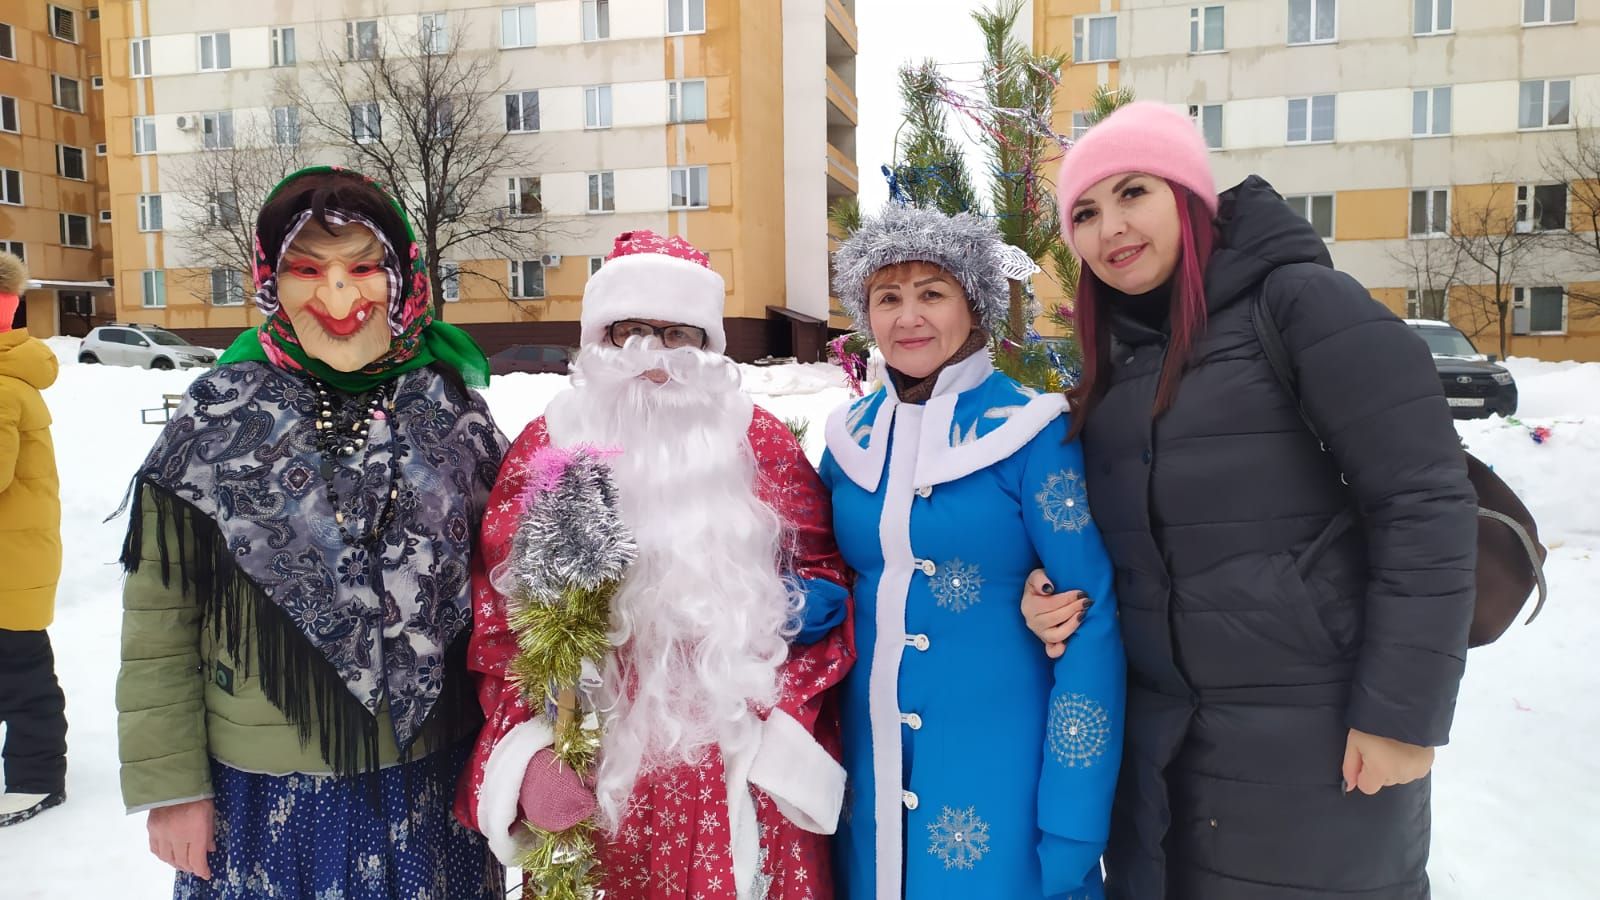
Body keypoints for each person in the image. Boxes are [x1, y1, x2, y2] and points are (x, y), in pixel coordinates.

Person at [1020, 101, 1478, 898]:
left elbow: (1424, 504)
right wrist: (1045, 594)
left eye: (1134, 193)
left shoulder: (1301, 306)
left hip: (1317, 746)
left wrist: (1402, 715)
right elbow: (1114, 542)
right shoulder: (1114, 373)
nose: (1109, 229)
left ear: (1189, 196)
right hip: (1164, 757)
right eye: (1085, 213)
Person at [115, 167, 508, 898]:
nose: (337, 296)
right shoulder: (216, 419)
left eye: (363, 267)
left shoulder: (454, 412)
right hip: (269, 797)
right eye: (306, 269)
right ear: (269, 278)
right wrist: (172, 788)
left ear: (402, 277)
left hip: (433, 781)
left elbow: (517, 587)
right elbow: (161, 618)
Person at [458, 230, 855, 899]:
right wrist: (529, 754)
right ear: (598, 341)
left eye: (676, 334)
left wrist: (785, 698)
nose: (652, 356)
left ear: (707, 348)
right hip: (595, 763)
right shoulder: (548, 449)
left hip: (740, 763)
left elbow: (827, 577)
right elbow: (500, 622)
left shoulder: (757, 443)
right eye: (632, 331)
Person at [821, 205, 1126, 899]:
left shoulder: (1033, 432)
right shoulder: (848, 441)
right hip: (869, 782)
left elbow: (1092, 619)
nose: (908, 318)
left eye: (933, 293)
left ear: (975, 304)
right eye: (887, 297)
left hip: (1002, 778)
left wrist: (1074, 817)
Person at [0, 249, 68, 828]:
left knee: (22, 675)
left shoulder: (0, 388)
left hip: (9, 565)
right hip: (15, 556)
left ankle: (34, 778)